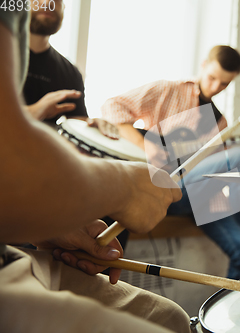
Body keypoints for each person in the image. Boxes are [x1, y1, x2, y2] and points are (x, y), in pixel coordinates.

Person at [0, 4, 190, 333]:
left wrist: (52, 226)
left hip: (12, 243)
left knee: (171, 318)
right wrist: (126, 185)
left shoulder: (66, 70)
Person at [102, 45, 240, 279]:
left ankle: (228, 310)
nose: (216, 87)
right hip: (162, 187)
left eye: (225, 84)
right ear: (203, 65)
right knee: (238, 156)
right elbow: (113, 106)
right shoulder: (168, 90)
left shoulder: (220, 123)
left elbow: (229, 169)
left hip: (198, 196)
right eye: (212, 78)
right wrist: (148, 149)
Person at [23, 0, 117, 137]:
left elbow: (77, 121)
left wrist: (91, 125)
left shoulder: (71, 74)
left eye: (57, 0)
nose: (49, 2)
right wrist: (34, 111)